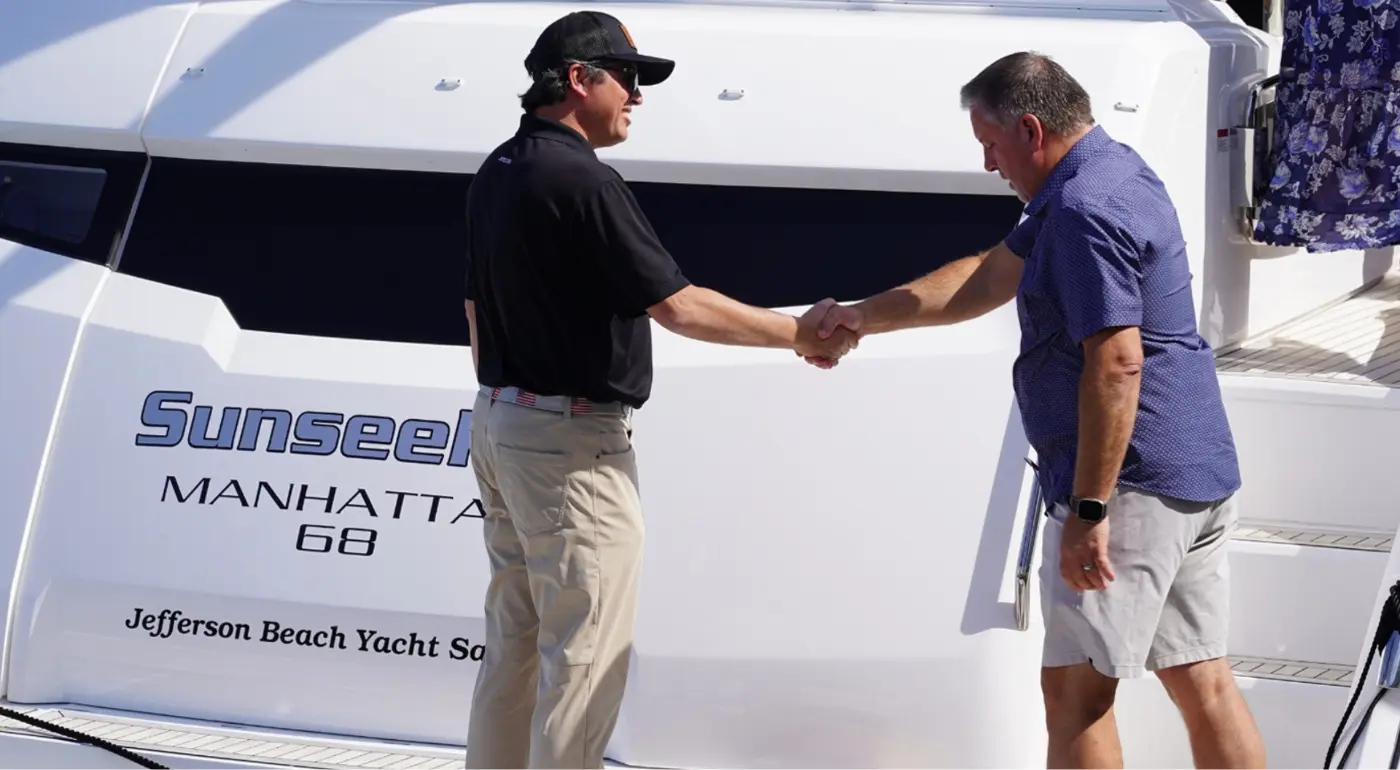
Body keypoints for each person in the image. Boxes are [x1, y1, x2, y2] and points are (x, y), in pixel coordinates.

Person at [806, 52, 1267, 769]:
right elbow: (989, 275)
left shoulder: (1083, 210)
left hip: (1131, 483)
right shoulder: (1109, 173)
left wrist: (1089, 510)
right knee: (1199, 677)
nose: (991, 165)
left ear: (1029, 129)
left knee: (1075, 698)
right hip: (1195, 469)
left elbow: (1116, 362)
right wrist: (863, 317)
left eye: (990, 146)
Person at [460, 10, 856, 769]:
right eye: (629, 79)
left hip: (501, 423)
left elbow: (475, 311)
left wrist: (508, 406)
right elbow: (680, 306)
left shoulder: (498, 171)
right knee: (583, 657)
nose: (639, 97)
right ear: (580, 80)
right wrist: (801, 334)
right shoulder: (583, 180)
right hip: (571, 444)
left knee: (513, 639)